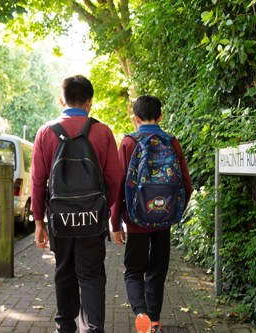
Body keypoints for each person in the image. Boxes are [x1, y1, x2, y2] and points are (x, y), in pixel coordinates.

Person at [31, 75, 121, 333]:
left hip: (60, 220)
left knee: (64, 273)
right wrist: (104, 210)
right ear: (90, 102)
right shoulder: (102, 132)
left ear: (62, 100)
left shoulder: (45, 132)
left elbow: (38, 181)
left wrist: (39, 221)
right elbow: (114, 179)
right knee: (92, 276)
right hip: (93, 220)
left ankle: (66, 328)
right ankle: (92, 328)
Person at [111, 95, 193, 333]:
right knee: (157, 271)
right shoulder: (172, 142)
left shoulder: (128, 143)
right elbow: (186, 185)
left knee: (134, 271)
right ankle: (155, 321)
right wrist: (173, 210)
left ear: (135, 118)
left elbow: (118, 187)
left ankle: (141, 314)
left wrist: (115, 223)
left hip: (136, 220)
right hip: (163, 220)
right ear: (161, 116)